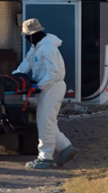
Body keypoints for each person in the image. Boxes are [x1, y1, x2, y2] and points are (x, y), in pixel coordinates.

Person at [15, 18, 76, 169]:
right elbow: (27, 63)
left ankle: (45, 157)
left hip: (52, 87)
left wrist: (39, 86)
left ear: (32, 35)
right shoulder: (37, 46)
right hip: (47, 87)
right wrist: (14, 77)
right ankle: (65, 147)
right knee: (47, 121)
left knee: (45, 122)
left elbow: (52, 72)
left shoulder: (47, 47)